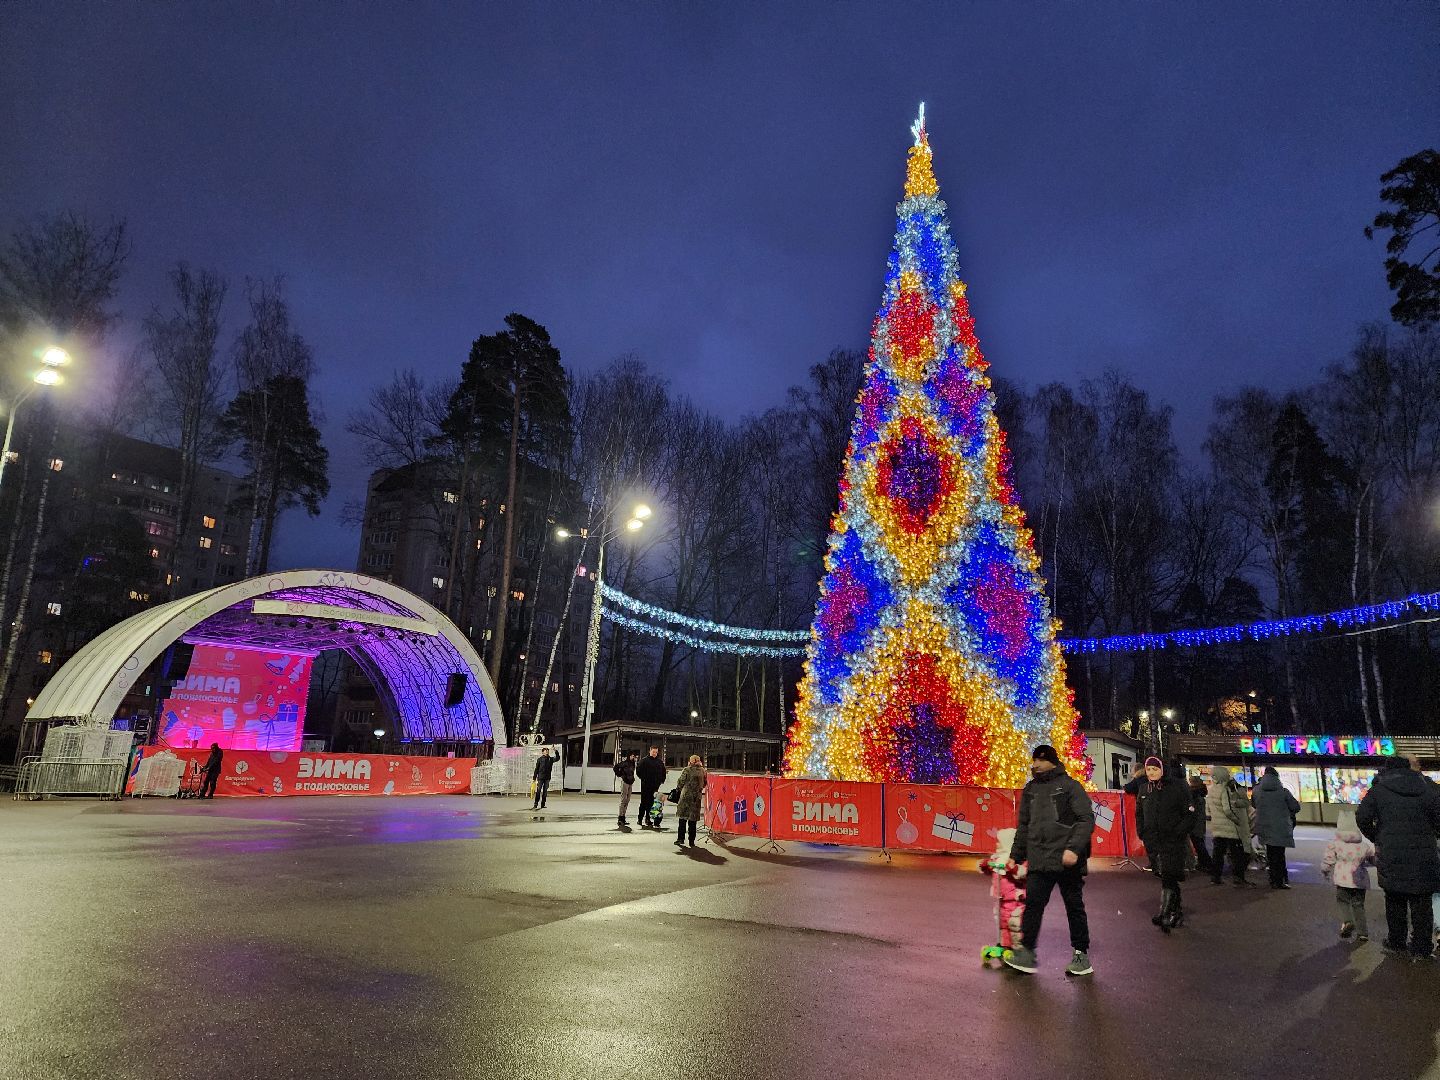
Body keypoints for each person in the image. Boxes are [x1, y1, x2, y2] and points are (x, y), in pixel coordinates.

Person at [1003, 744, 1096, 977]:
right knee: (1033, 905)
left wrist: (1074, 849)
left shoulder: (1071, 787)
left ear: (1051, 762)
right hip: (1040, 858)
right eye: (1034, 761)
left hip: (1068, 861)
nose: (1034, 765)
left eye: (1039, 761)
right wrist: (1015, 856)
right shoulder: (1031, 789)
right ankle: (1026, 952)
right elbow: (1024, 826)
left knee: (1074, 906)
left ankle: (1081, 954)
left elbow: (1086, 819)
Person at [1357, 755, 1440, 960]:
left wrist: (1377, 836)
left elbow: (1362, 817)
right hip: (1424, 855)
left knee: (1395, 899)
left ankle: (1397, 941)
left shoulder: (1378, 790)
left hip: (1391, 854)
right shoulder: (1428, 789)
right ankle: (1421, 947)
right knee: (1422, 903)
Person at [1134, 757, 1195, 933]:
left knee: (1169, 874)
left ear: (1162, 769)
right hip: (1153, 841)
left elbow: (1190, 814)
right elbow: (1139, 813)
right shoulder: (1144, 788)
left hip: (1172, 840)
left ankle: (1165, 913)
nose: (1151, 772)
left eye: (1155, 769)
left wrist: (1178, 832)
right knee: (1165, 875)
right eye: (1149, 769)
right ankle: (1176, 911)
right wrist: (1143, 832)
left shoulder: (1177, 786)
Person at [1321, 807, 1376, 942]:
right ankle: (1363, 933)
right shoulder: (1363, 845)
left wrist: (1325, 871)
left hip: (1342, 879)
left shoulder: (1335, 844)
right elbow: (1373, 859)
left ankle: (1347, 921)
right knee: (1358, 905)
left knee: (1343, 901)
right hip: (1359, 880)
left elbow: (1328, 859)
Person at [980, 827, 1026, 963]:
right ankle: (1005, 946)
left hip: (1015, 899)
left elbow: (1023, 872)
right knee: (1001, 922)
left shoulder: (1017, 859)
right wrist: (985, 865)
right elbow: (987, 868)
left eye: (999, 842)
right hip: (1001, 899)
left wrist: (1012, 868)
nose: (997, 844)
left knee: (1014, 924)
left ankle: (1018, 949)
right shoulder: (997, 858)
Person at [1251, 766, 1300, 889]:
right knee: (1280, 854)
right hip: (1280, 826)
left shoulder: (1256, 791)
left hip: (1265, 826)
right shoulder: (1283, 792)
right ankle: (1281, 880)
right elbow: (1296, 807)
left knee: (1271, 853)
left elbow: (1254, 805)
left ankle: (1273, 879)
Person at [1207, 766, 1255, 887]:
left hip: (1217, 828)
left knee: (1218, 854)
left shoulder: (1211, 790)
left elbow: (1208, 810)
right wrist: (1237, 820)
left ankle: (1215, 877)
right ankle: (1238, 878)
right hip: (1230, 828)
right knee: (1237, 854)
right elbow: (1228, 809)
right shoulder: (1225, 789)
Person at [673, 754, 706, 848]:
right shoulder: (703, 771)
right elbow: (705, 783)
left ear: (691, 761)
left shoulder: (687, 769)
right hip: (697, 798)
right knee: (693, 820)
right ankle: (691, 841)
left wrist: (679, 789)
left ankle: (680, 839)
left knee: (682, 819)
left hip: (686, 797)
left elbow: (680, 782)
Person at [636, 746, 667, 829]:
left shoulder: (659, 762)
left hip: (655, 786)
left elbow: (663, 772)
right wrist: (644, 779)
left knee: (652, 803)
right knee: (644, 802)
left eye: (656, 752)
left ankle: (648, 818)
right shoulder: (644, 761)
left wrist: (661, 781)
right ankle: (640, 818)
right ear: (650, 751)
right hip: (645, 785)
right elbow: (638, 771)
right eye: (653, 752)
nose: (655, 754)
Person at [1188, 774, 1213, 874]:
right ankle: (1204, 863)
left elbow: (1191, 809)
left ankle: (1207, 863)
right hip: (1200, 821)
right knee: (1199, 842)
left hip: (1195, 821)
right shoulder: (1200, 793)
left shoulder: (1194, 794)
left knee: (1198, 843)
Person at [613, 751, 637, 828]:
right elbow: (615, 767)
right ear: (629, 756)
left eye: (634, 756)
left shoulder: (633, 763)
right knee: (623, 800)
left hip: (630, 783)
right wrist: (620, 774)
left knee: (628, 800)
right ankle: (620, 818)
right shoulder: (624, 763)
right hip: (625, 782)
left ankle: (623, 817)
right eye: (632, 756)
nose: (633, 757)